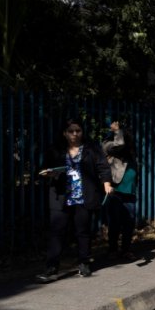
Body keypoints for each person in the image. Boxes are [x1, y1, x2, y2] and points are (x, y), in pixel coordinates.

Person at [37, 118, 113, 282]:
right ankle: (51, 268)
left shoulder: (91, 148)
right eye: (71, 131)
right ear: (64, 133)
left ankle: (84, 263)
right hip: (61, 196)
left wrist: (106, 183)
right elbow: (43, 168)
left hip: (83, 195)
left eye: (78, 130)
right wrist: (48, 173)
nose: (74, 134)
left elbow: (103, 166)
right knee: (57, 232)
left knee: (82, 232)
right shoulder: (55, 150)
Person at [103, 122, 137, 260]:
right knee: (115, 222)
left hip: (130, 192)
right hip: (116, 190)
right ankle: (112, 250)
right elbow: (119, 144)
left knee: (129, 223)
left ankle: (126, 250)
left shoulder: (130, 151)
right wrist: (117, 131)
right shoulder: (108, 145)